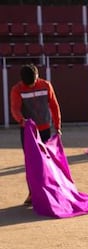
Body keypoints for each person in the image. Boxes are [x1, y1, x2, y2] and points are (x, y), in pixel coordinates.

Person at [10, 63, 62, 205]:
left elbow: (54, 105)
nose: (32, 86)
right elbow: (15, 109)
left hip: (45, 129)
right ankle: (33, 193)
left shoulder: (45, 85)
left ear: (37, 76)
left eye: (33, 83)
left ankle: (50, 191)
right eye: (29, 84)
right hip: (29, 131)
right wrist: (22, 120)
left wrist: (58, 126)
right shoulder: (17, 89)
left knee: (47, 161)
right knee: (31, 163)